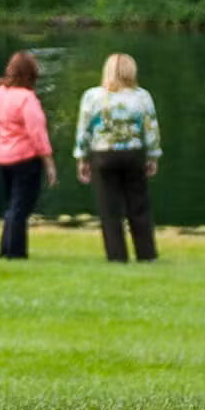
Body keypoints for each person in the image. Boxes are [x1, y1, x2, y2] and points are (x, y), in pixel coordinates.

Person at [74, 53, 162, 263]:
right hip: (133, 153)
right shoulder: (141, 96)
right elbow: (151, 129)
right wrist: (153, 156)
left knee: (109, 207)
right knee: (138, 205)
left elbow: (84, 130)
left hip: (103, 154)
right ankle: (146, 253)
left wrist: (82, 158)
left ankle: (116, 255)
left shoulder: (93, 96)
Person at [0, 51, 56, 259]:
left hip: (1, 156)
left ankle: (6, 248)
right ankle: (15, 251)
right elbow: (37, 132)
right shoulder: (27, 98)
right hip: (24, 158)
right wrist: (49, 162)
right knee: (21, 206)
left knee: (13, 205)